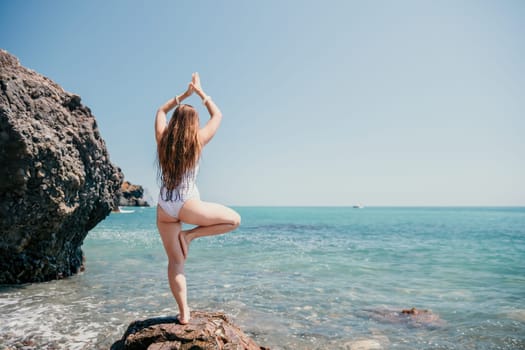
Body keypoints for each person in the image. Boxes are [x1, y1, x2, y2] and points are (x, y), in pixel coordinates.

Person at [155, 72, 241, 324]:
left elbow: (160, 111)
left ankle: (183, 313)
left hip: (164, 207)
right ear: (193, 124)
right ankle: (190, 236)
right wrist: (201, 93)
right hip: (187, 204)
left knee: (175, 263)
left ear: (175, 121)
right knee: (234, 220)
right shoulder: (197, 141)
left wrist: (183, 96)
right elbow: (218, 115)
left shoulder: (162, 141)